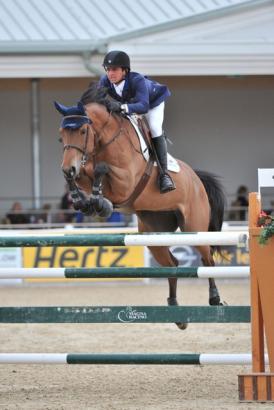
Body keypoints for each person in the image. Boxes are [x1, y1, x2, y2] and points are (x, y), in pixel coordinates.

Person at [99, 50, 175, 194]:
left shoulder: (137, 80)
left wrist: (121, 107)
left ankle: (164, 175)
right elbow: (96, 99)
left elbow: (144, 106)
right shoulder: (105, 81)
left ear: (125, 71)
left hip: (152, 104)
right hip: (133, 104)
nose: (110, 74)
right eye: (108, 69)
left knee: (154, 128)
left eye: (114, 69)